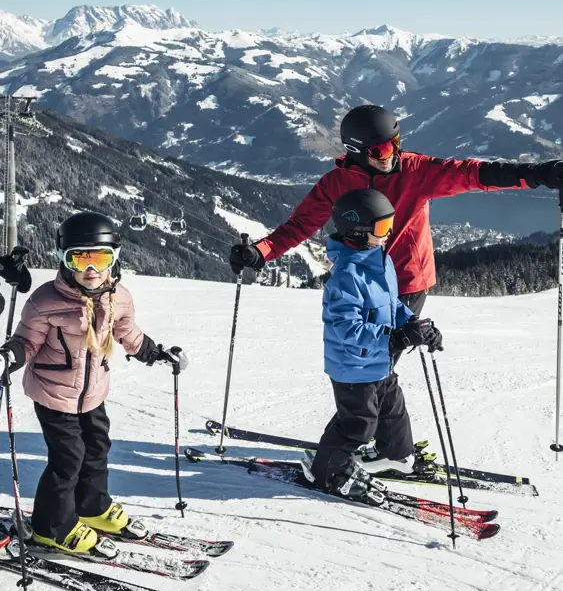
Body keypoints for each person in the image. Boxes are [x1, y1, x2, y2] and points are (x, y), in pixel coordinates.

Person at [229, 104, 563, 315]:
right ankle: (373, 424)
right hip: (359, 282)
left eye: (395, 143)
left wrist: (536, 174)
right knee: (358, 363)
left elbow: (474, 173)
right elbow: (300, 225)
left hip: (406, 283)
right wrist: (261, 252)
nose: (390, 154)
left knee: (376, 367)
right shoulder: (337, 182)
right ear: (357, 150)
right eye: (380, 149)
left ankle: (372, 426)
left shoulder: (416, 171)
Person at [0, 212, 188, 555]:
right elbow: (25, 342)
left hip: (93, 393)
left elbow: (129, 336)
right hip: (54, 394)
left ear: (114, 258)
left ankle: (92, 506)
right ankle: (50, 527)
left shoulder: (119, 298)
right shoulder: (45, 302)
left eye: (100, 258)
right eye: (79, 258)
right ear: (62, 258)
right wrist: (8, 358)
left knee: (98, 448)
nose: (90, 269)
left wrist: (157, 354)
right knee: (68, 459)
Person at [300, 188, 443, 503]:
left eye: (390, 223)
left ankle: (396, 455)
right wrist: (392, 338)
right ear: (358, 232)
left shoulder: (381, 261)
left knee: (392, 409)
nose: (388, 233)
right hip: (352, 367)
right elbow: (345, 328)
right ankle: (326, 474)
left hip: (379, 361)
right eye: (381, 228)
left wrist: (413, 325)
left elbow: (392, 305)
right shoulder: (346, 277)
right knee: (358, 425)